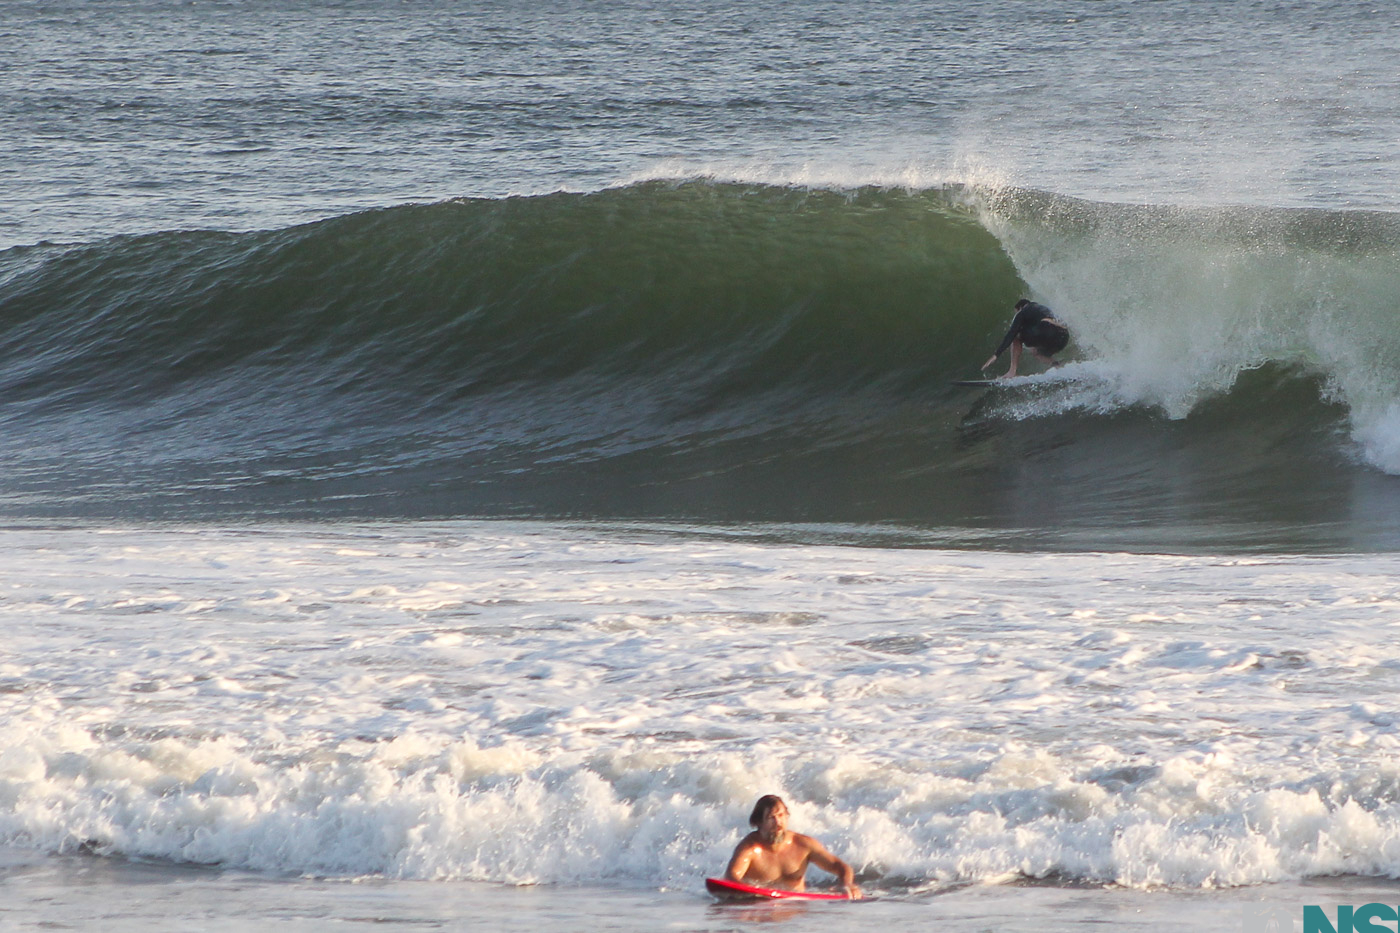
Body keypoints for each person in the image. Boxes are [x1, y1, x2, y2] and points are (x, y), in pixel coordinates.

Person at [723, 794, 862, 899]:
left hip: (796, 908)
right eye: (771, 817)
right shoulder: (750, 848)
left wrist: (846, 884)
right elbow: (731, 876)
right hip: (759, 907)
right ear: (758, 822)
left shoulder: (803, 845)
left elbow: (841, 867)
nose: (778, 822)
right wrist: (748, 892)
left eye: (781, 815)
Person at [981, 298, 1069, 378]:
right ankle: (1057, 365)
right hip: (1063, 337)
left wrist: (996, 354)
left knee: (1016, 336)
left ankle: (1012, 371)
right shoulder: (1044, 309)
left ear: (1020, 308)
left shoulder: (1023, 311)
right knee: (1036, 352)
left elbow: (1012, 333)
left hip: (1047, 330)